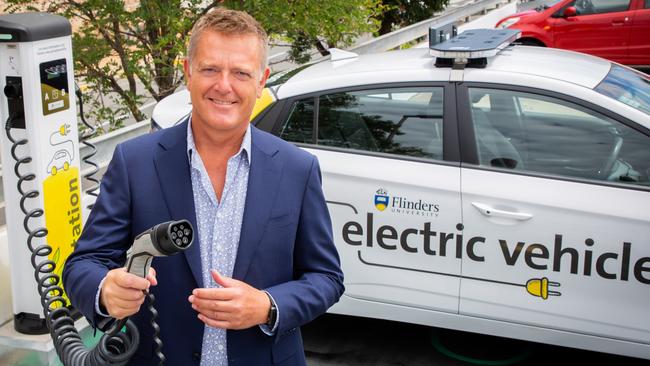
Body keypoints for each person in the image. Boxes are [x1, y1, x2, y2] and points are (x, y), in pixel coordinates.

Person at [63, 7, 344, 366]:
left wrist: (267, 306)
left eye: (241, 73)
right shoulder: (135, 162)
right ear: (187, 72)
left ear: (262, 81)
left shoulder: (297, 169)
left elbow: (326, 278)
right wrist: (105, 291)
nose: (224, 85)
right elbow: (84, 262)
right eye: (210, 69)